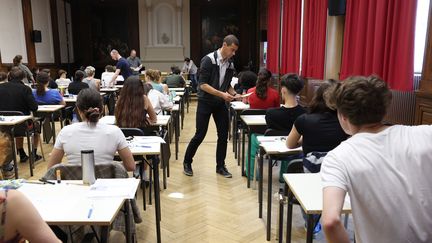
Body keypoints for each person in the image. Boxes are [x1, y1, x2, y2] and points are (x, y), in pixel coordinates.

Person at [321, 76, 432, 243]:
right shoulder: (425, 134)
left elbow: (330, 221)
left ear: (343, 116)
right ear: (384, 109)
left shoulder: (338, 157)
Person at [286, 79, 348, 234]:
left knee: (301, 176)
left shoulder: (304, 120)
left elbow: (290, 145)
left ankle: (311, 223)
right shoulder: (346, 123)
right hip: (339, 174)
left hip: (310, 173)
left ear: (317, 96)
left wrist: (305, 138)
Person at [183, 34, 241, 178]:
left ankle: (220, 166)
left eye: (235, 51)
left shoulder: (230, 64)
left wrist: (235, 94)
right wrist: (222, 95)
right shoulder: (208, 60)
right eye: (232, 50)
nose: (233, 53)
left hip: (219, 103)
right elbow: (202, 85)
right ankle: (187, 162)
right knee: (200, 134)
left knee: (223, 135)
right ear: (224, 45)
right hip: (205, 102)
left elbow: (226, 85)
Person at [48, 88, 135, 171]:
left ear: (78, 109)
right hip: (107, 185)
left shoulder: (65, 132)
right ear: (101, 109)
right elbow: (130, 166)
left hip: (75, 184)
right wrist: (111, 167)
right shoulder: (114, 131)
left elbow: (51, 168)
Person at [0, 132, 61, 243]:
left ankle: (23, 152)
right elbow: (50, 171)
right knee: (36, 128)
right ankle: (33, 152)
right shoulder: (9, 202)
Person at [245, 73, 306, 179]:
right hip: (294, 147)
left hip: (273, 147)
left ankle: (251, 175)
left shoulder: (271, 113)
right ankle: (284, 177)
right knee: (292, 139)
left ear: (283, 90)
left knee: (253, 137)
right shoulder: (305, 113)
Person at [0, 70, 40, 175]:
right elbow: (34, 107)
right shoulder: (25, 89)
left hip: (3, 126)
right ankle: (34, 154)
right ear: (23, 78)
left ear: (9, 77)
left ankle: (20, 154)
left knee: (9, 134)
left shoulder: (1, 88)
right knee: (37, 127)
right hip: (23, 126)